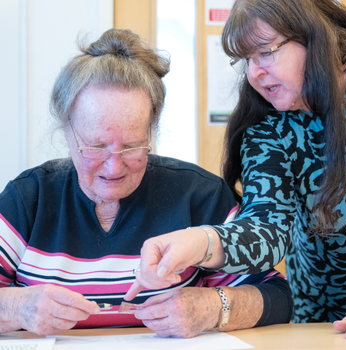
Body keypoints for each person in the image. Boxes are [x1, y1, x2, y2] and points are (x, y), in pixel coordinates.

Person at [0, 28, 292, 337]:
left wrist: (212, 307)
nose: (114, 166)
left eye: (133, 146)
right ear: (66, 131)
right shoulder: (28, 199)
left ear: (152, 132)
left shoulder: (198, 196)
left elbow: (277, 297)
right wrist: (17, 307)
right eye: (97, 146)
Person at [125, 0, 346, 338]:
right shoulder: (268, 127)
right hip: (319, 324)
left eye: (265, 52)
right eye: (246, 60)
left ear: (310, 37)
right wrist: (200, 240)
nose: (254, 72)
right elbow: (267, 229)